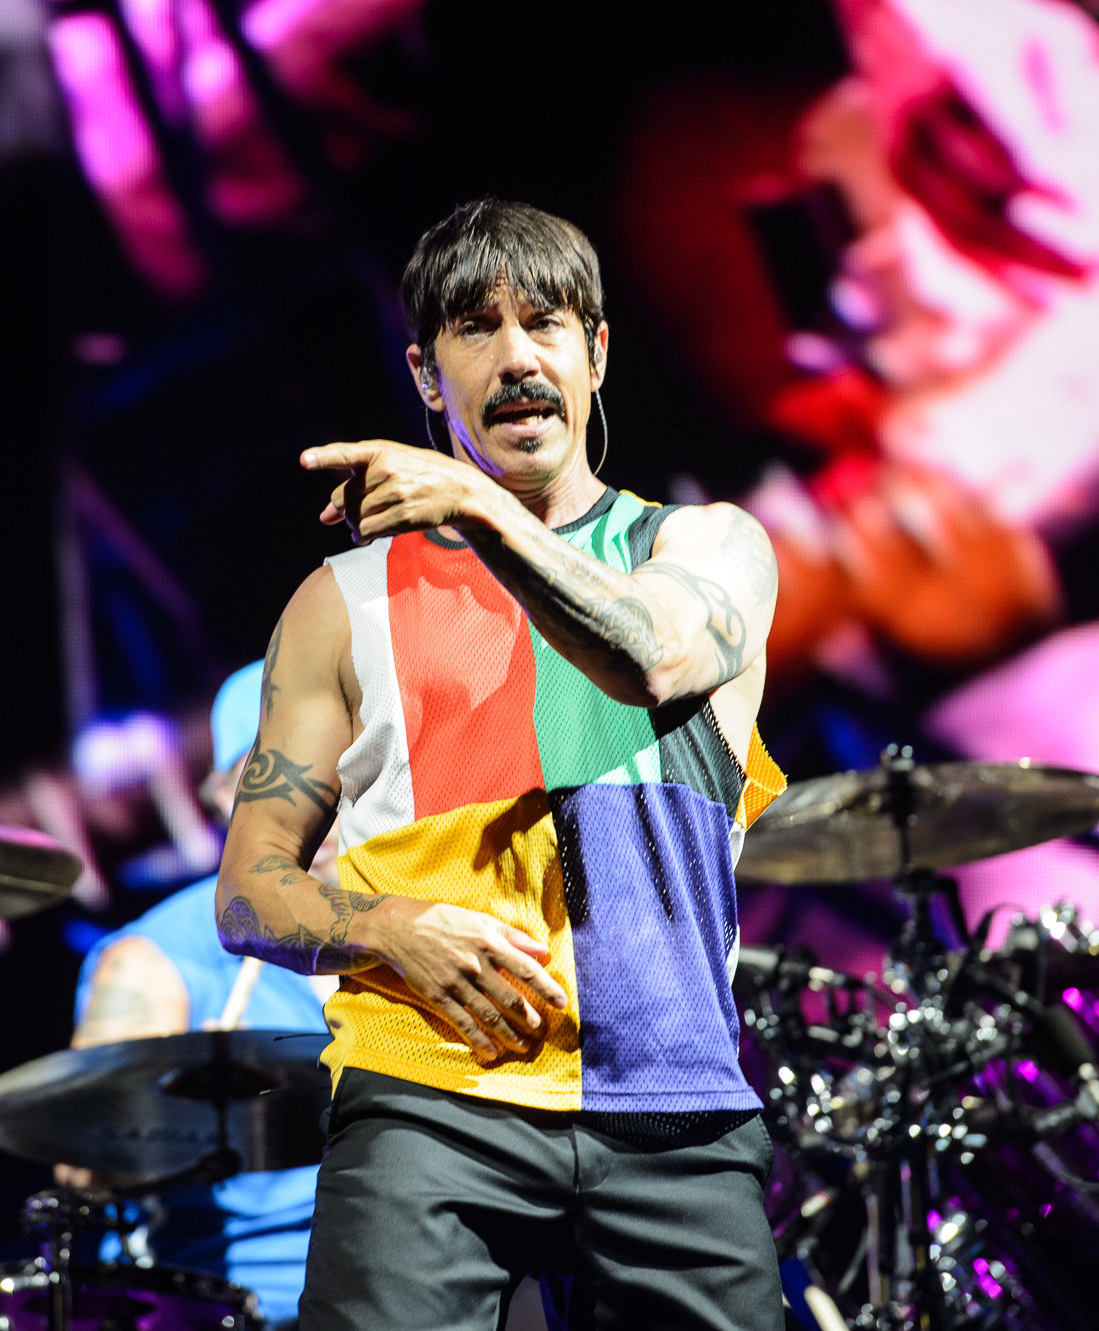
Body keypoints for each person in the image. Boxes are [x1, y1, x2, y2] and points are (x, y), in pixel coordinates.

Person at [216, 198, 788, 1330]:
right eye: (477, 328)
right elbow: (246, 888)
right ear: (428, 379)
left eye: (547, 323)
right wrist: (383, 929)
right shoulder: (339, 602)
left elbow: (651, 655)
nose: (518, 355)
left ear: (596, 355)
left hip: (675, 1098)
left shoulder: (704, 546)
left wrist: (477, 501)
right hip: (428, 1097)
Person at [69, 661, 335, 1328]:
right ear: (223, 797)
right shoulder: (157, 960)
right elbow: (80, 1167)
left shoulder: (424, 924)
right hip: (234, 1303)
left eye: (340, 762)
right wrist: (159, 1105)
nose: (323, 796)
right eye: (280, 770)